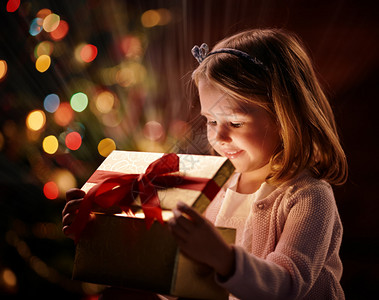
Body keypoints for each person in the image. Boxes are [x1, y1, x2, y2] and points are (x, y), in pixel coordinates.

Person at [63, 28, 347, 299]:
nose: (219, 137)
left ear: (286, 117)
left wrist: (221, 258)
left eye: (235, 122)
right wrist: (101, 231)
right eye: (211, 121)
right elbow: (181, 282)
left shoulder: (309, 196)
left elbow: (288, 286)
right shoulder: (213, 190)